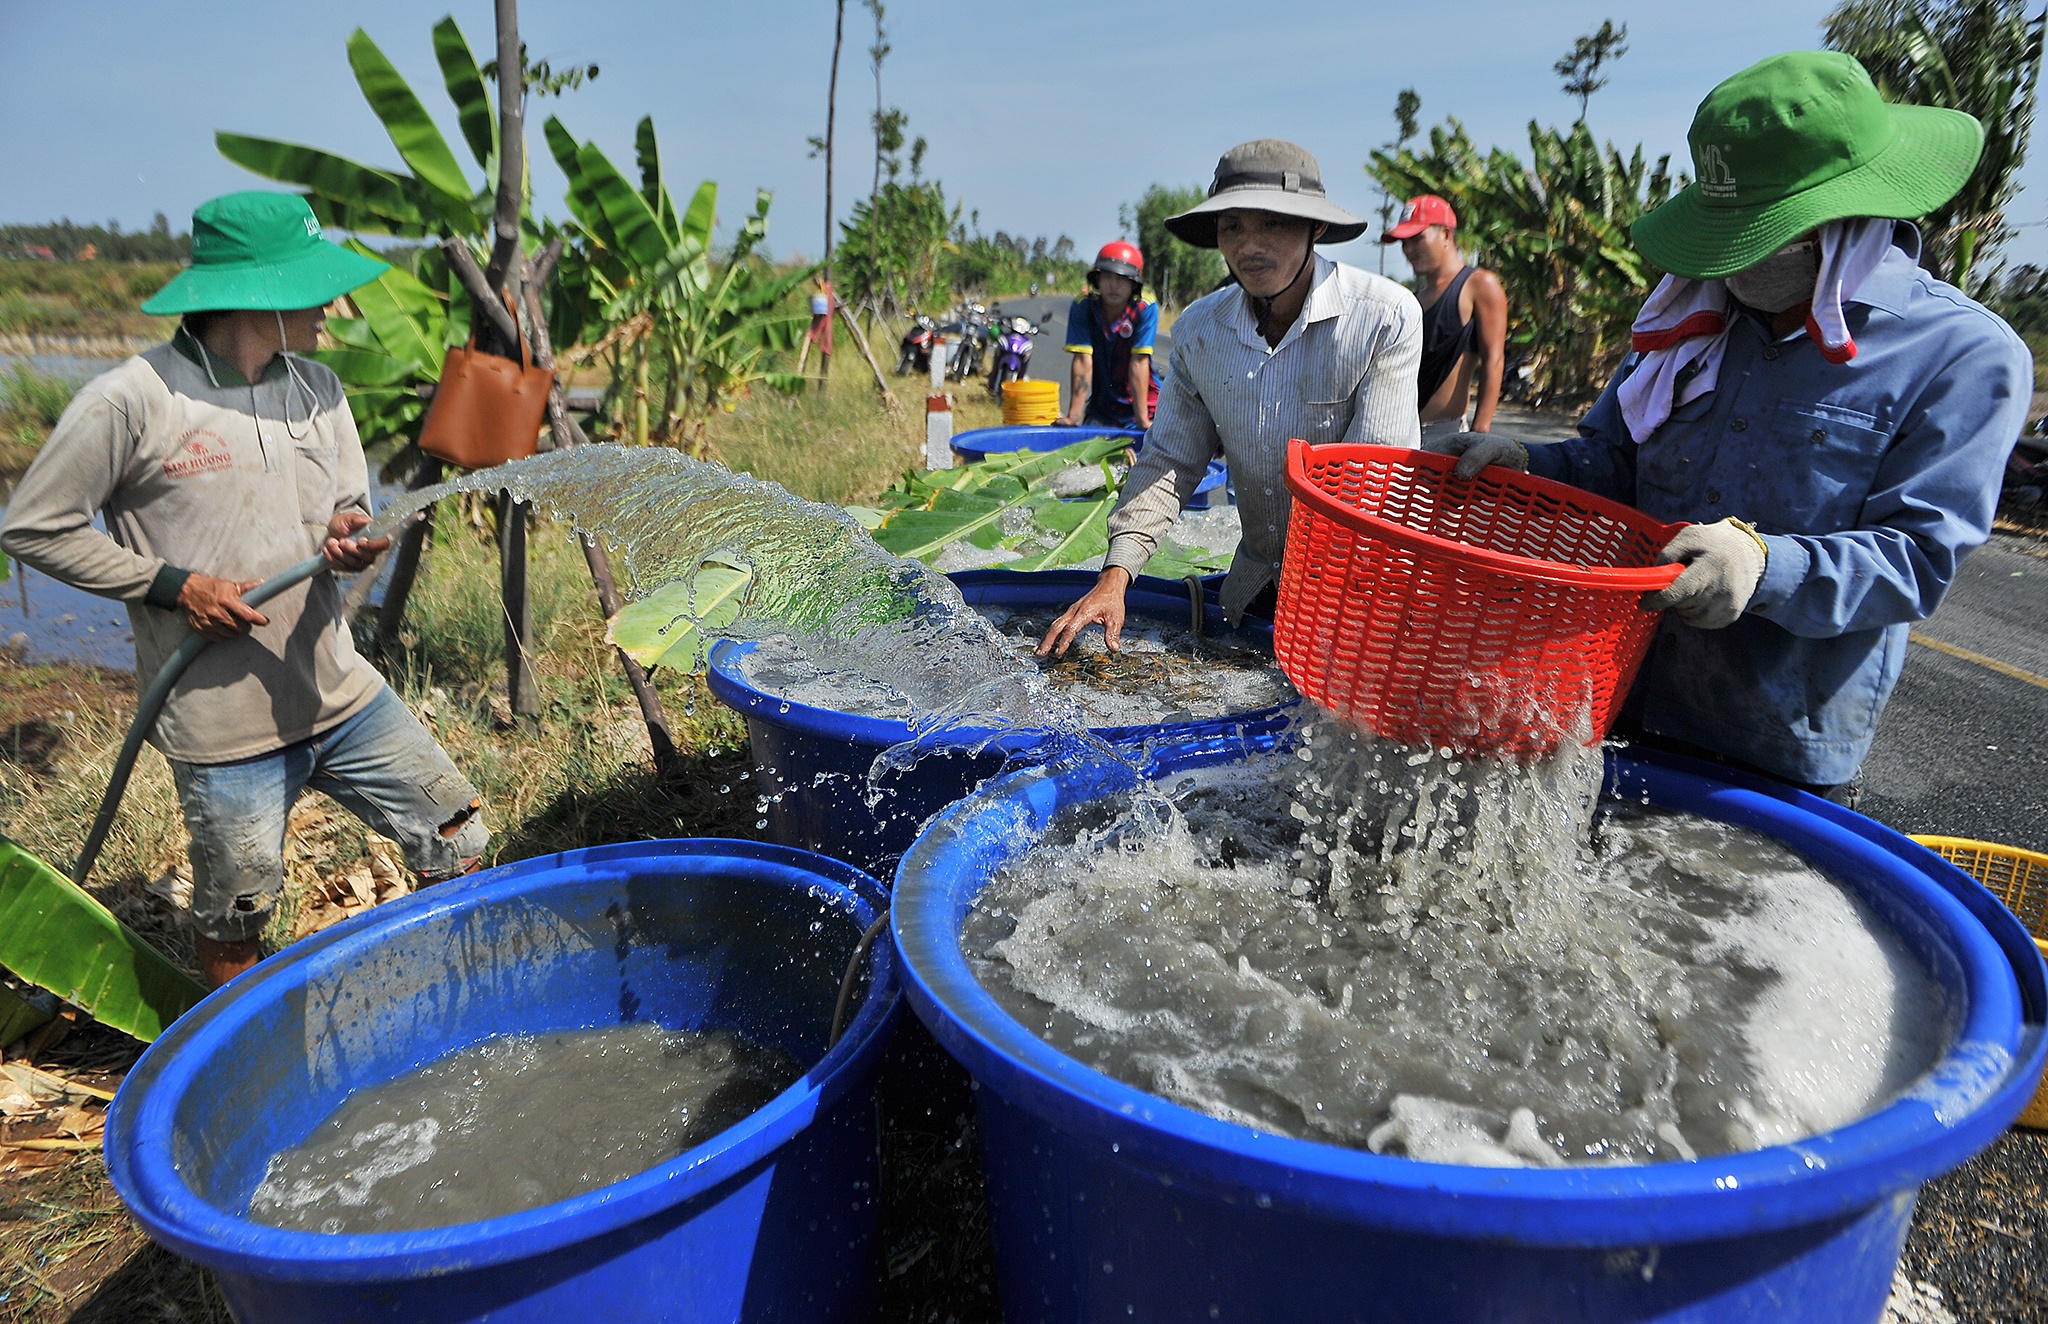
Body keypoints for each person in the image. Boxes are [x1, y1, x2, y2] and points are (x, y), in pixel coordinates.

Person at [1429, 52, 2030, 801]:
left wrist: (1760, 566)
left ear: (1841, 219)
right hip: (1618, 690)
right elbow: (1617, 460)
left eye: (1757, 234)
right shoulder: (1688, 314)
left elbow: (1916, 559)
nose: (1731, 265)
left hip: (1771, 749)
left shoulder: (1959, 355)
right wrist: (1523, 461)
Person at [1, 192, 492, 987]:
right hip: (224, 723)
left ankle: (456, 994)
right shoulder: (132, 400)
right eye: (314, 287)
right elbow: (33, 526)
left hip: (337, 689)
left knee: (458, 836)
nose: (333, 305)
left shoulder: (319, 389)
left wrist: (347, 531)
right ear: (255, 294)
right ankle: (235, 1063)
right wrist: (175, 586)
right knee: (238, 910)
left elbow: (343, 503)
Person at [1040, 140, 1422, 655]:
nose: (1250, 245)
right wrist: (1116, 576)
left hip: (1357, 600)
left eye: (1274, 223)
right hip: (1258, 588)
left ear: (1317, 229)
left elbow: (1374, 486)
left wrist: (1320, 617)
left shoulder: (1384, 318)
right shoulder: (1201, 329)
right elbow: (1170, 461)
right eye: (1233, 227)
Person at [1382, 194, 1507, 445]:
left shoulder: (1479, 285)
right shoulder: (1412, 299)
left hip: (1444, 433)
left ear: (1446, 235)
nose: (1409, 250)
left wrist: (1480, 433)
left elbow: (1493, 358)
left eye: (1417, 239)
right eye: (1404, 243)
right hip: (1399, 431)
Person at [1057, 242, 1160, 430]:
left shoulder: (1144, 307)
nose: (1114, 285)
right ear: (1097, 280)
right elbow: (1082, 360)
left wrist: (1142, 420)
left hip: (1146, 406)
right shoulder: (1085, 306)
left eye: (1122, 278)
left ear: (1133, 284)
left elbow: (1139, 362)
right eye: (1107, 277)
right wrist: (1073, 417)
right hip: (1102, 408)